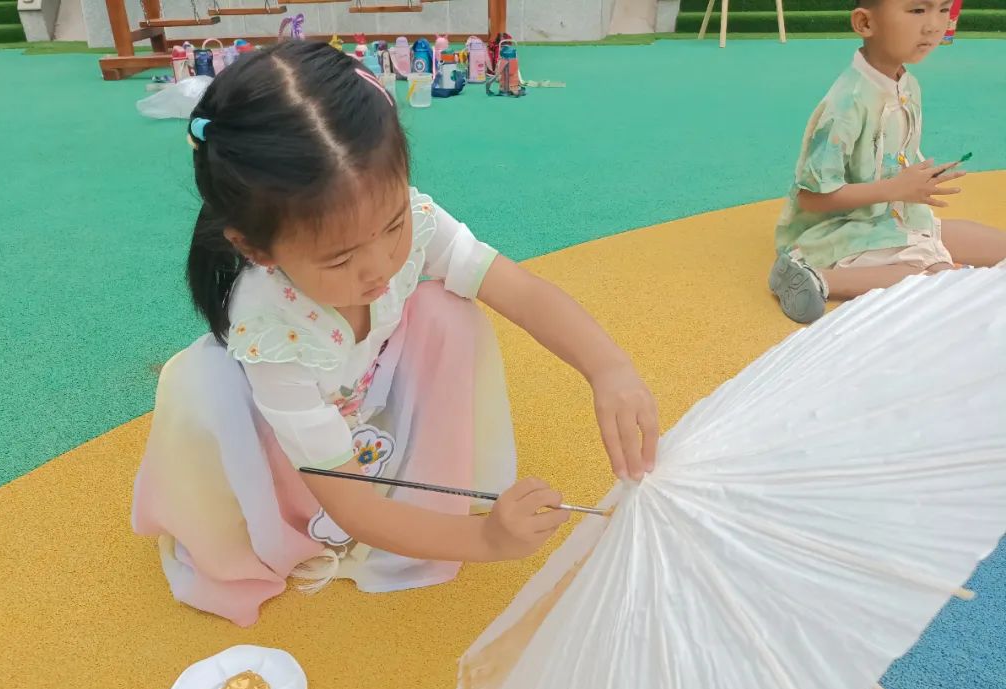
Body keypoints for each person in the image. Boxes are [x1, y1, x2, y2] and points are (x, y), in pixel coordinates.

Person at [132, 41, 659, 627]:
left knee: (449, 311)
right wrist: (485, 541)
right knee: (209, 393)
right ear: (256, 248)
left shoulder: (411, 222)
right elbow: (354, 507)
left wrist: (608, 368)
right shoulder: (271, 336)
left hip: (357, 387)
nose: (380, 266)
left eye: (393, 225)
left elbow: (522, 291)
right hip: (290, 432)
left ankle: (395, 464)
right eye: (339, 259)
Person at [770, 0, 1006, 323]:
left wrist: (914, 179)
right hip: (838, 230)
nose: (934, 25)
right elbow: (811, 198)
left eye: (943, 9)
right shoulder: (847, 104)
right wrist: (896, 188)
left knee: (989, 247)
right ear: (865, 24)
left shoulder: (907, 86)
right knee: (938, 277)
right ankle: (816, 277)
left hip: (889, 220)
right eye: (918, 11)